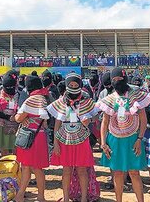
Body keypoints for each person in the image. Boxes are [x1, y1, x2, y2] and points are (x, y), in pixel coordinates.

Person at [97, 67, 150, 202]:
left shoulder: (136, 95)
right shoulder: (109, 98)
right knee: (118, 173)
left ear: (125, 79)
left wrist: (140, 138)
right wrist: (103, 143)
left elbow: (143, 119)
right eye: (114, 80)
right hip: (114, 139)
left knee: (134, 173)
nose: (117, 82)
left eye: (120, 79)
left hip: (133, 138)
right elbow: (105, 122)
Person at [47, 73, 99, 202]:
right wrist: (56, 143)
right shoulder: (60, 102)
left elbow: (96, 116)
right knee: (66, 170)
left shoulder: (87, 101)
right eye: (71, 85)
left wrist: (90, 119)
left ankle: (83, 198)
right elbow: (57, 124)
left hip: (82, 138)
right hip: (65, 139)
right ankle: (65, 198)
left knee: (82, 170)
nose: (73, 87)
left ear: (80, 85)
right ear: (67, 85)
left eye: (76, 85)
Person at [14, 75, 49, 202]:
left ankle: (20, 195)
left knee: (27, 167)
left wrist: (23, 118)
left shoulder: (31, 99)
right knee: (37, 168)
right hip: (39, 136)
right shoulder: (43, 98)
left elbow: (18, 118)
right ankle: (40, 196)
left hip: (29, 137)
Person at [0, 72, 20, 155]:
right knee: (4, 151)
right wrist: (7, 117)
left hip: (16, 126)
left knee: (16, 149)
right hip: (1, 125)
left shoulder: (19, 94)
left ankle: (16, 167)